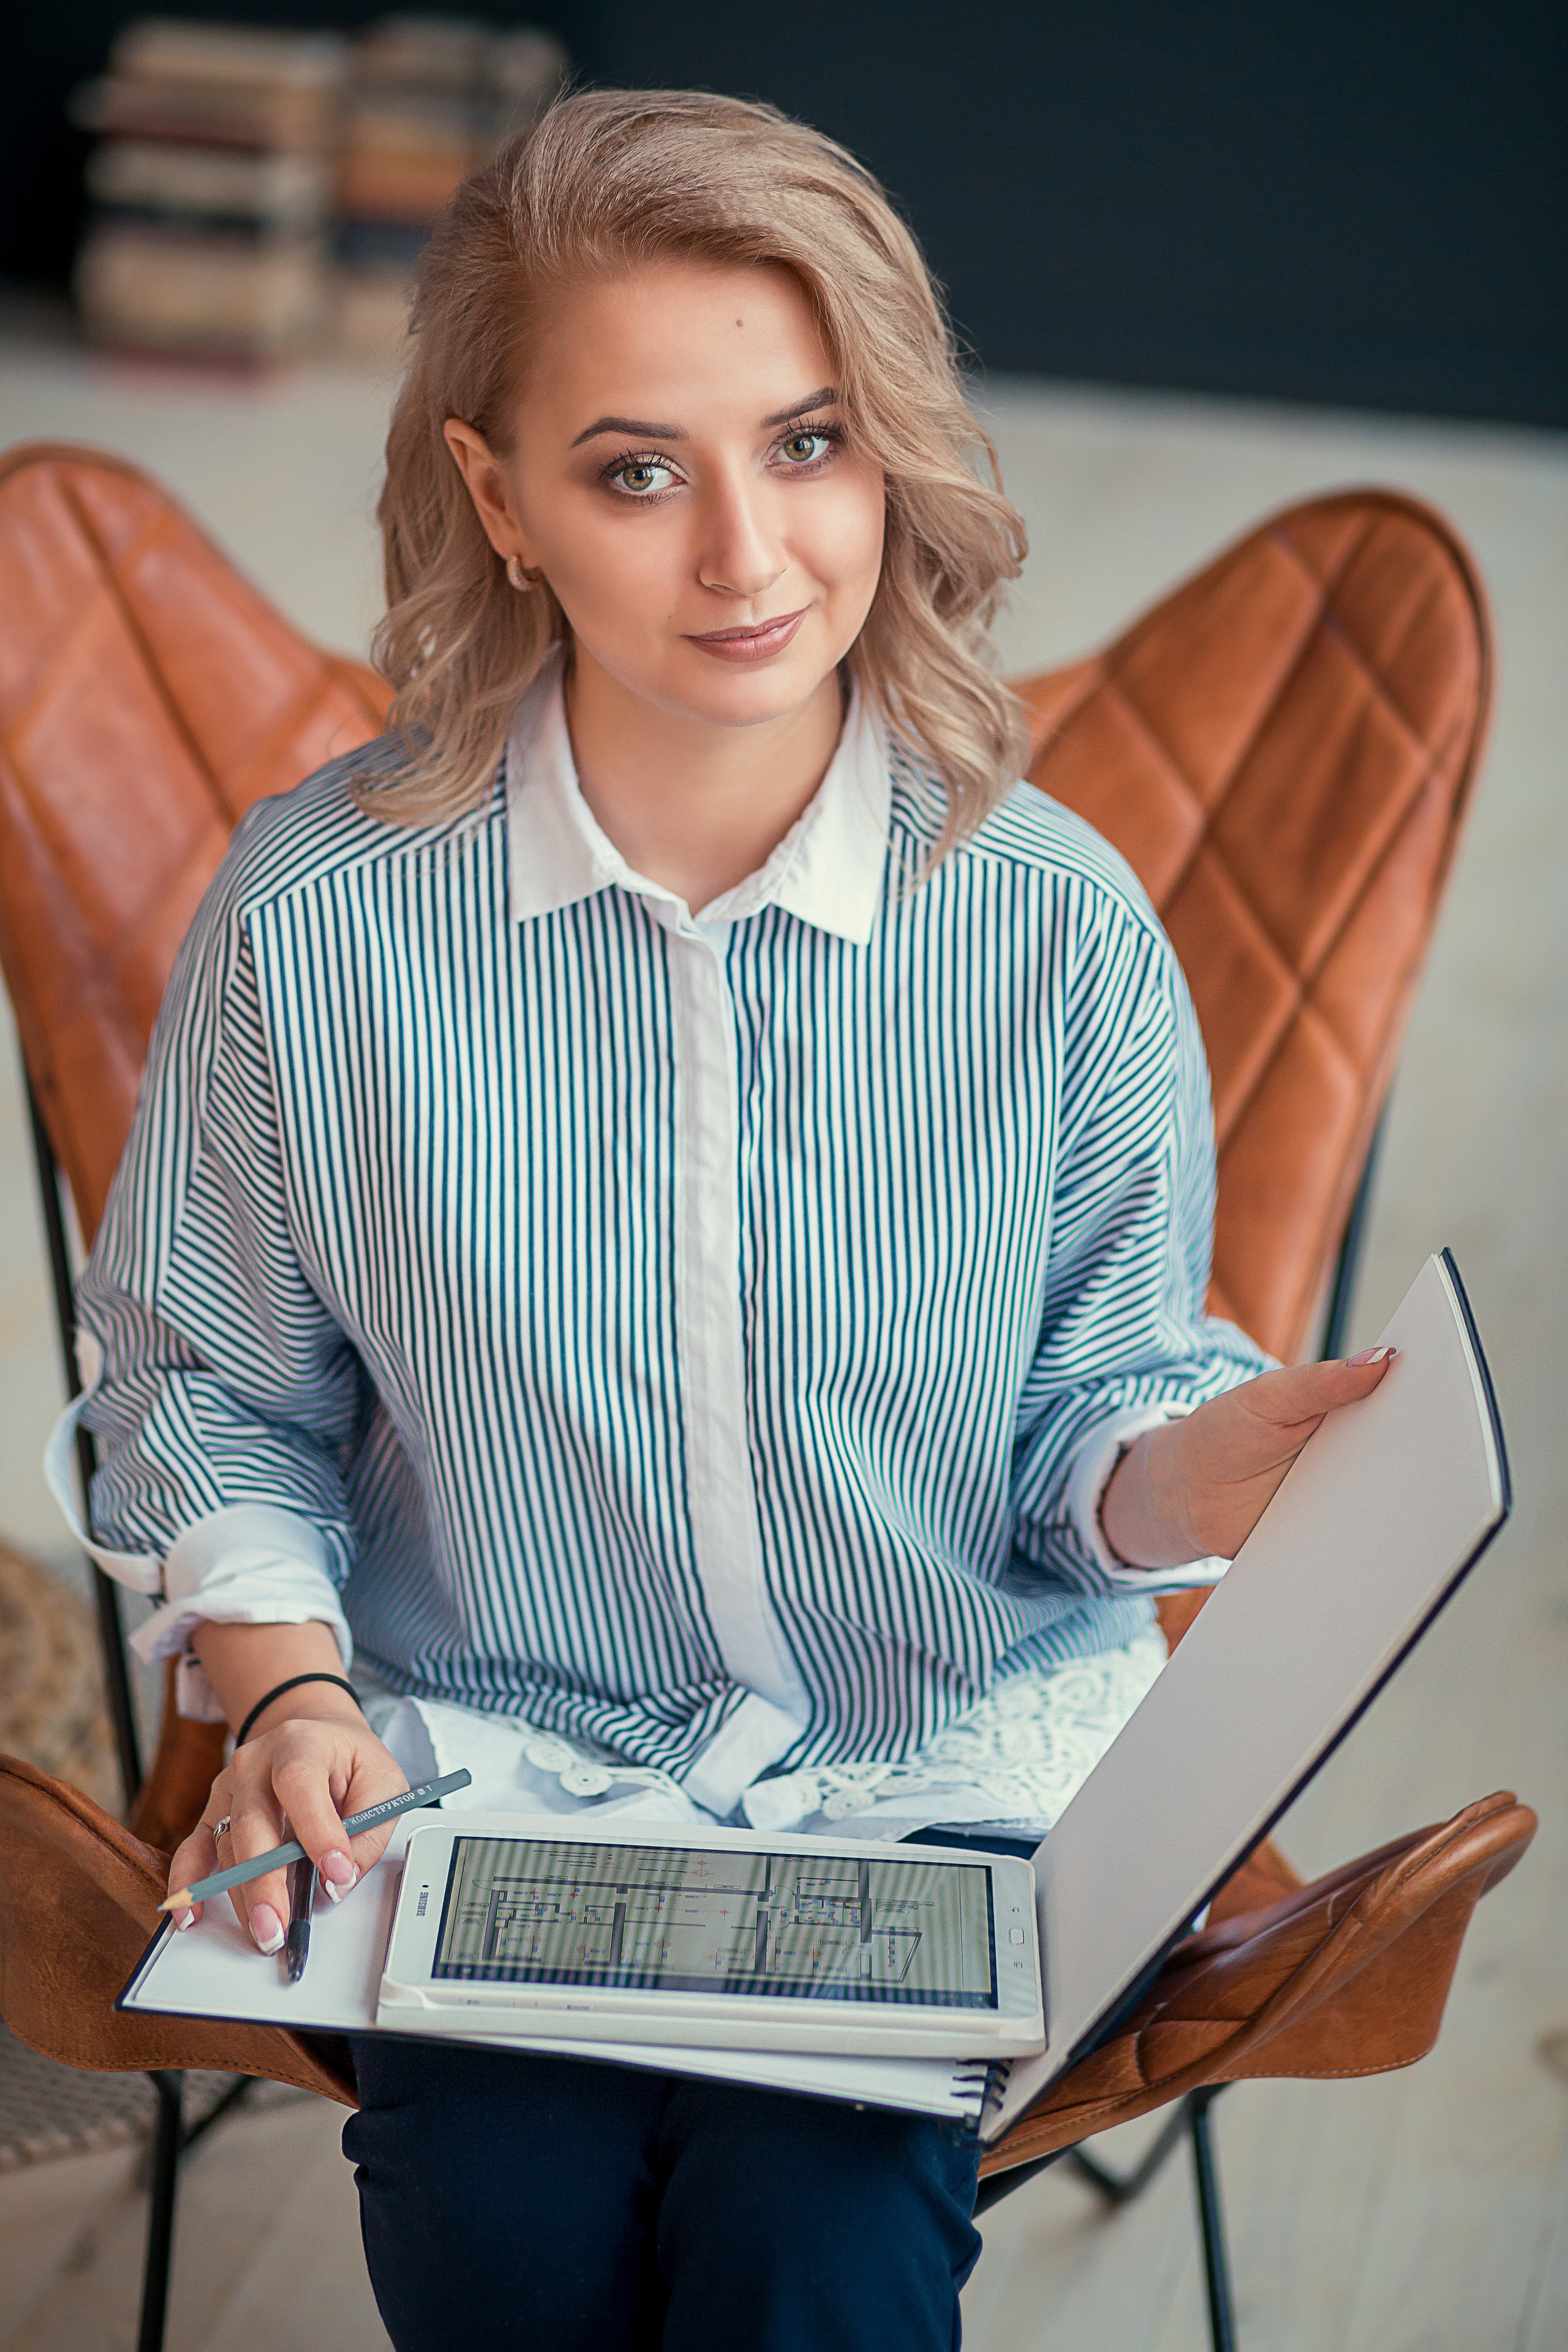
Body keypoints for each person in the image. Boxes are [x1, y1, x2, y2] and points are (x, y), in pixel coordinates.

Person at [67, 89, 1392, 2352]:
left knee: (822, 2250)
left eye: (808, 443)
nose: (749, 556)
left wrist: (1196, 1479)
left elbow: (1090, 1413)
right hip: (499, 1769)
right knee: (493, 2232)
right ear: (501, 498)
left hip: (931, 1784)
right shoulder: (316, 919)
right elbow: (209, 1393)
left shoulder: (1057, 926)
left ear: (890, 455)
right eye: (636, 470)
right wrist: (283, 1688)